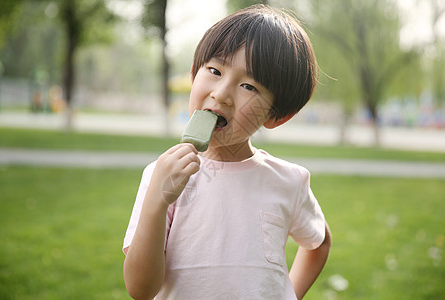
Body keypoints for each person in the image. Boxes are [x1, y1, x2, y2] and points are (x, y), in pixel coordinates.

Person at [123, 5, 332, 300]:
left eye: (248, 86)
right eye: (214, 71)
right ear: (193, 75)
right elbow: (140, 290)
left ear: (276, 116)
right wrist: (157, 199)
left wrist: (289, 294)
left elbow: (319, 242)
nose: (221, 93)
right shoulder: (162, 175)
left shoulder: (289, 181)